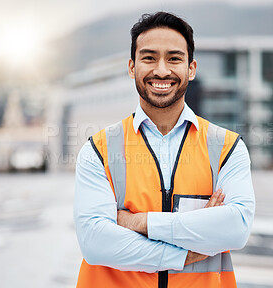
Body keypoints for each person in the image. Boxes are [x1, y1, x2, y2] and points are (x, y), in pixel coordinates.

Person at [74, 12, 255, 288]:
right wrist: (184, 252)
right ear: (132, 67)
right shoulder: (98, 150)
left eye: (174, 58)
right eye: (149, 58)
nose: (161, 70)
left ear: (191, 68)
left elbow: (236, 228)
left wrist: (139, 222)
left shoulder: (228, 148)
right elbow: (95, 242)